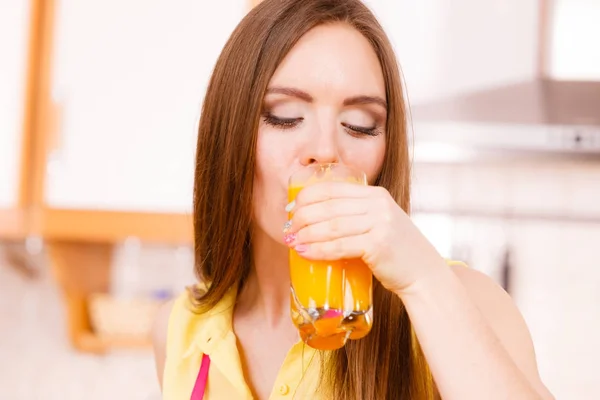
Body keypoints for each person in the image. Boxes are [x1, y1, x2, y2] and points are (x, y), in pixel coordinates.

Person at [152, 0, 554, 399]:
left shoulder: (467, 303)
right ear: (229, 132)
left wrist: (424, 281)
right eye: (285, 115)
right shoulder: (179, 331)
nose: (326, 150)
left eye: (360, 125)